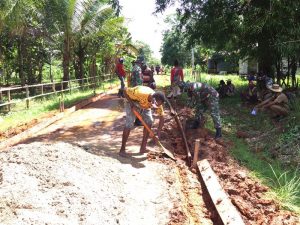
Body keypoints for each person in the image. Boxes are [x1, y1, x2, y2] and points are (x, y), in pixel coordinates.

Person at [119, 86, 166, 157]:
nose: (156, 107)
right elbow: (124, 90)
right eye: (156, 105)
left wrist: (157, 134)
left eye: (158, 105)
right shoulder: (139, 93)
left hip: (145, 105)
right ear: (153, 99)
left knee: (149, 121)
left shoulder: (158, 103)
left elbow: (162, 118)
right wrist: (131, 104)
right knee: (129, 123)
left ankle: (143, 148)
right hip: (133, 101)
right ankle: (122, 150)